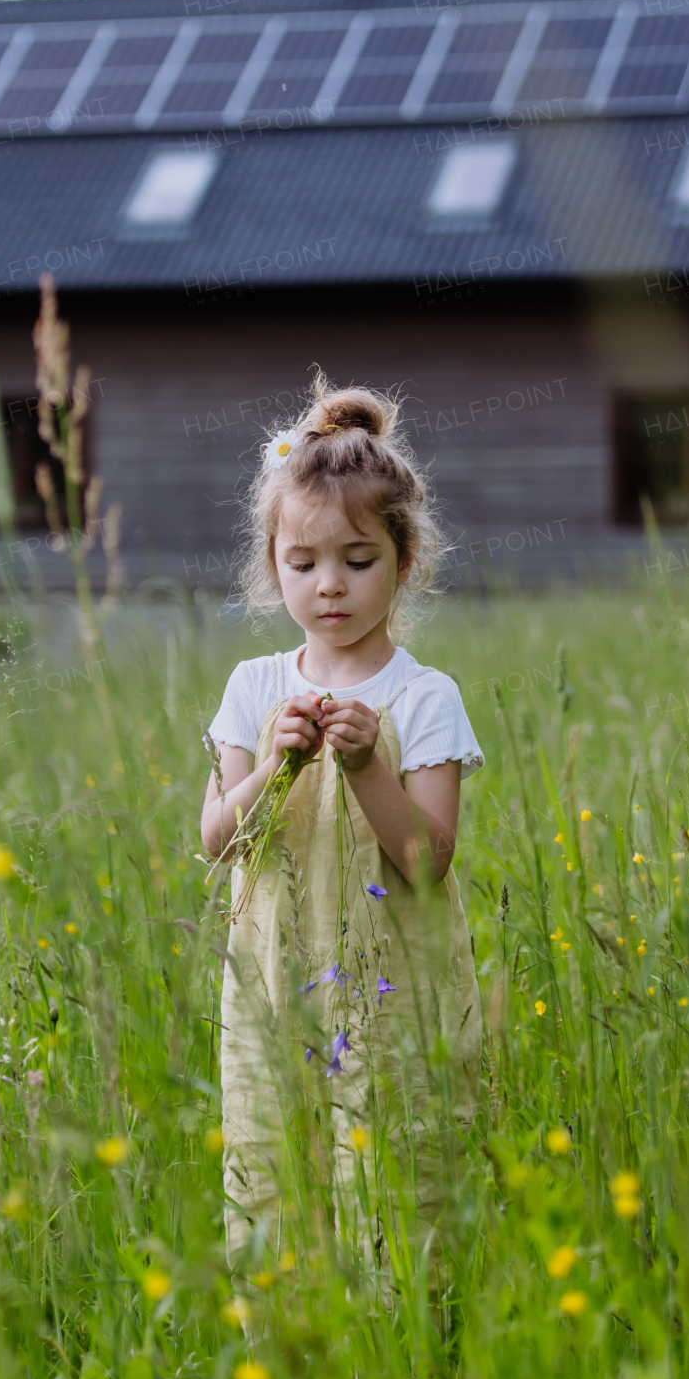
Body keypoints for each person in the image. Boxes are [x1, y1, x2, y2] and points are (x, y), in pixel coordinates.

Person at [202, 379, 484, 1275]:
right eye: (303, 563)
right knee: (273, 1157)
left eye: (358, 561)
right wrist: (273, 770)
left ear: (406, 562)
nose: (330, 585)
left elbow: (428, 863)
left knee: (397, 1162)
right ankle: (283, 1350)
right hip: (275, 978)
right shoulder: (254, 688)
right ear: (273, 565)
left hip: (392, 985)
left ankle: (403, 1343)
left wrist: (365, 766)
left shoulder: (424, 696)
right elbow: (217, 839)